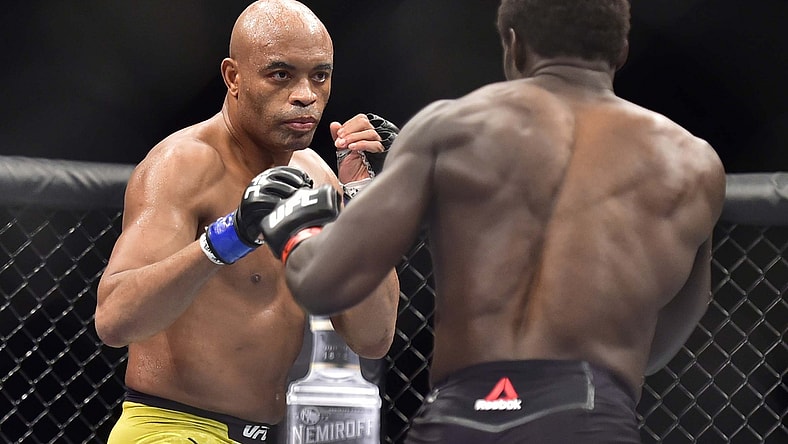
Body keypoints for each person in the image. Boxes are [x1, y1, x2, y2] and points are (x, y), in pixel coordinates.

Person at [260, 0, 727, 442]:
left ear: (513, 43)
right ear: (622, 50)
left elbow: (322, 284)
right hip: (586, 415)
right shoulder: (690, 163)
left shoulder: (451, 129)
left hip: (461, 412)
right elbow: (658, 350)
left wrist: (292, 224)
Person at [94, 1, 400, 443]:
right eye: (281, 75)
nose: (305, 95)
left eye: (320, 75)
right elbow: (114, 321)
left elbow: (373, 338)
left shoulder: (317, 175)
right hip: (174, 429)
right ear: (233, 77)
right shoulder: (184, 164)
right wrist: (228, 238)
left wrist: (361, 206)